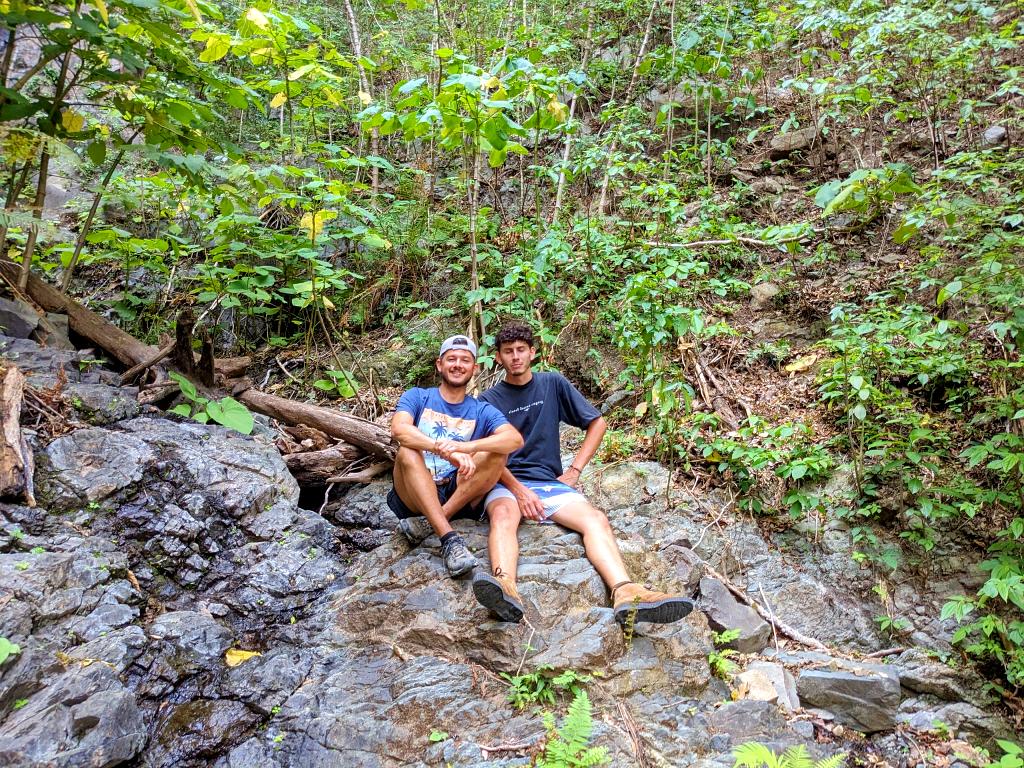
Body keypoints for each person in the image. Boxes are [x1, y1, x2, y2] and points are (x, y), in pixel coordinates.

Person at [472, 321, 695, 626]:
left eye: (521, 350)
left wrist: (575, 470)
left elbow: (597, 423)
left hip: (550, 483)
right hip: (506, 480)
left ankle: (624, 591)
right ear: (498, 357)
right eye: (508, 352)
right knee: (503, 515)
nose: (515, 357)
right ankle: (505, 588)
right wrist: (520, 491)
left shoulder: (552, 384)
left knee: (595, 519)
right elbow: (486, 456)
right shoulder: (487, 401)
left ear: (533, 353)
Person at [389, 334, 524, 578]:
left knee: (496, 454)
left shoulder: (481, 409)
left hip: (455, 490)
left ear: (474, 368)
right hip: (413, 491)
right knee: (407, 450)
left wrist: (466, 449)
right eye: (451, 359)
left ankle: (433, 522)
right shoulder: (418, 396)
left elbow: (514, 439)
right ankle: (449, 539)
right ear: (439, 364)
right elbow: (399, 429)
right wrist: (443, 449)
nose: (458, 364)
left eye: (465, 360)